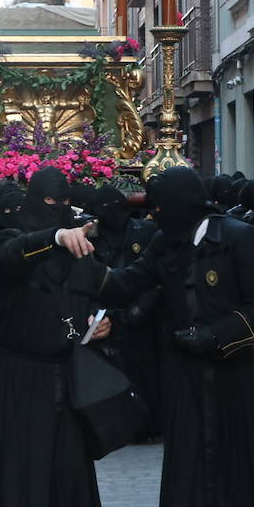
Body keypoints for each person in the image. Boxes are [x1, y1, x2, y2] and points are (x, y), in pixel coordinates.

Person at [83, 166, 254, 507]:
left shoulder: (238, 237)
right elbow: (128, 284)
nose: (156, 215)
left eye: (162, 207)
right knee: (193, 461)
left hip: (234, 367)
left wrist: (213, 336)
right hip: (185, 372)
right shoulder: (164, 241)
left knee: (237, 458)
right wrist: (82, 265)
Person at [0, 166, 109, 507]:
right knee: (26, 469)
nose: (52, 211)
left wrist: (108, 323)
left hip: (66, 371)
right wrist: (54, 238)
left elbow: (100, 291)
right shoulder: (6, 237)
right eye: (47, 203)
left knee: (69, 469)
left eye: (59, 204)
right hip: (19, 376)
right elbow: (7, 257)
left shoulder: (81, 248)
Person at [86, 183, 162, 436]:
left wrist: (141, 308)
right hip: (105, 316)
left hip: (143, 315)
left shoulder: (146, 231)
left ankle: (148, 424)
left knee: (146, 371)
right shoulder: (91, 237)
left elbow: (158, 276)